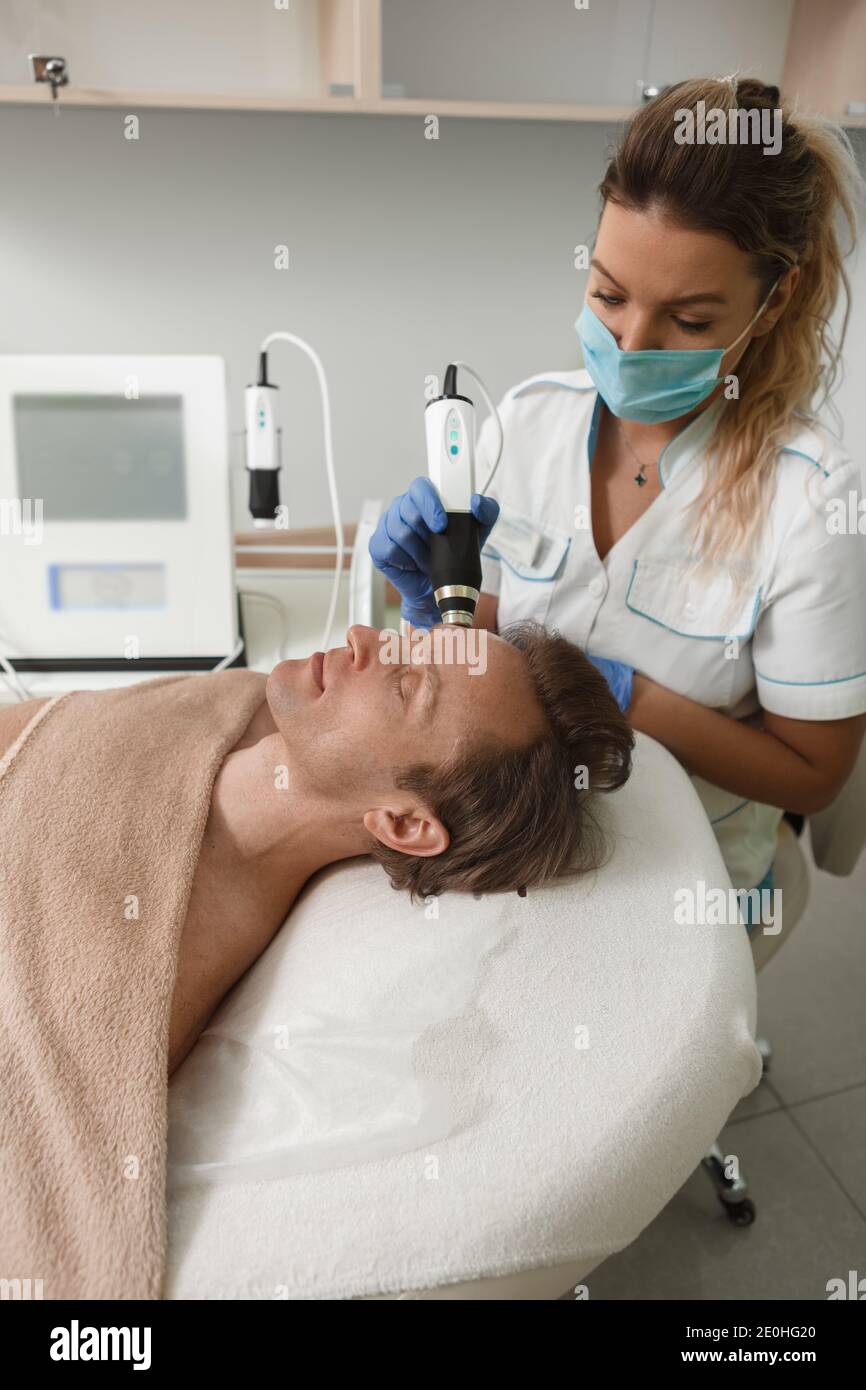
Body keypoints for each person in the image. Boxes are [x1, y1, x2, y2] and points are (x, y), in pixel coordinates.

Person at [370, 75, 866, 931]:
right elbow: (474, 648)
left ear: (773, 300)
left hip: (687, 877)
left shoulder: (812, 499)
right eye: (608, 295)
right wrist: (428, 600)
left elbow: (814, 775)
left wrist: (623, 699)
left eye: (690, 319)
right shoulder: (525, 422)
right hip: (513, 839)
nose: (632, 344)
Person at [0, 622, 632, 1076]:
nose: (363, 637)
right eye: (408, 638)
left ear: (403, 824)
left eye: (405, 683)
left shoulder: (143, 974)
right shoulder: (234, 701)